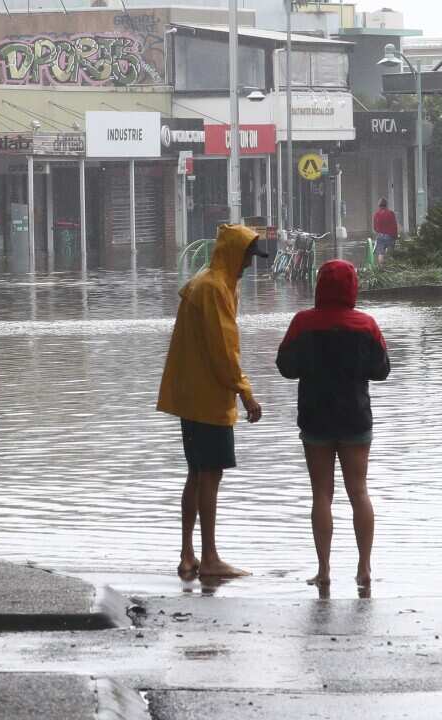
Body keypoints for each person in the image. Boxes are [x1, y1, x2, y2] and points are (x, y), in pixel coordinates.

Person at [158, 224, 267, 580]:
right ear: (235, 255)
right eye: (248, 257)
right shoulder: (215, 288)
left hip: (191, 395)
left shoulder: (206, 282)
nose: (249, 266)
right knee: (210, 474)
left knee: (196, 473)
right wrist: (245, 392)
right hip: (208, 399)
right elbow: (225, 350)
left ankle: (188, 554)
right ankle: (209, 557)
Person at [276, 260, 390, 590]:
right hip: (355, 418)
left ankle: (324, 570)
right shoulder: (366, 325)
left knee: (321, 495)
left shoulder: (302, 323)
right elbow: (382, 370)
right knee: (359, 492)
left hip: (315, 418)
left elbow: (285, 366)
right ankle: (364, 568)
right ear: (352, 287)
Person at [372, 197, 399, 266]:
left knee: (381, 253)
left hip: (380, 236)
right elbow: (394, 225)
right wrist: (395, 236)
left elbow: (375, 228)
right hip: (390, 235)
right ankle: (390, 267)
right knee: (390, 253)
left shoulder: (376, 214)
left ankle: (381, 267)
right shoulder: (391, 213)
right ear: (386, 205)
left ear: (379, 205)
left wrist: (379, 232)